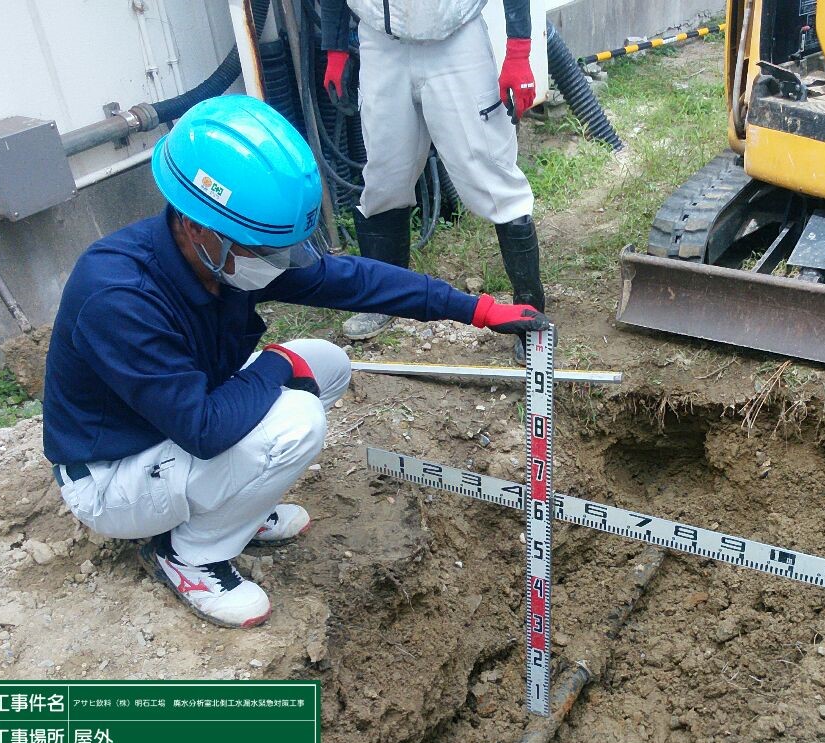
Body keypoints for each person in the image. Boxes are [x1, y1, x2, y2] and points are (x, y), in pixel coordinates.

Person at [42, 95, 546, 629]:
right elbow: (203, 430)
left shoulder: (225, 256)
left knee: (326, 364)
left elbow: (354, 281)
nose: (277, 263)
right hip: (113, 476)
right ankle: (188, 556)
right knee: (298, 418)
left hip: (170, 430)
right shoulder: (120, 298)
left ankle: (233, 509)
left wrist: (476, 309)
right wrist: (277, 364)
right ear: (195, 226)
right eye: (264, 249)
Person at [319, 0, 543, 360]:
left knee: (490, 176)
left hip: (455, 40)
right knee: (384, 176)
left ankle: (529, 312)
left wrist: (518, 51)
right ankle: (383, 300)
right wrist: (335, 48)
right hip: (381, 42)